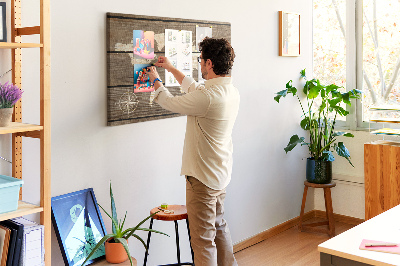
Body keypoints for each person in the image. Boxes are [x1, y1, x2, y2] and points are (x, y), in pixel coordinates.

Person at [144, 37, 239, 266]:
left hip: (202, 179)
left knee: (203, 241)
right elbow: (194, 88)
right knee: (219, 229)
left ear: (209, 63)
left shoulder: (207, 98)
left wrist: (155, 79)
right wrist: (170, 68)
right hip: (219, 175)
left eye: (200, 61)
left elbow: (170, 102)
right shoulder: (230, 92)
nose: (199, 65)